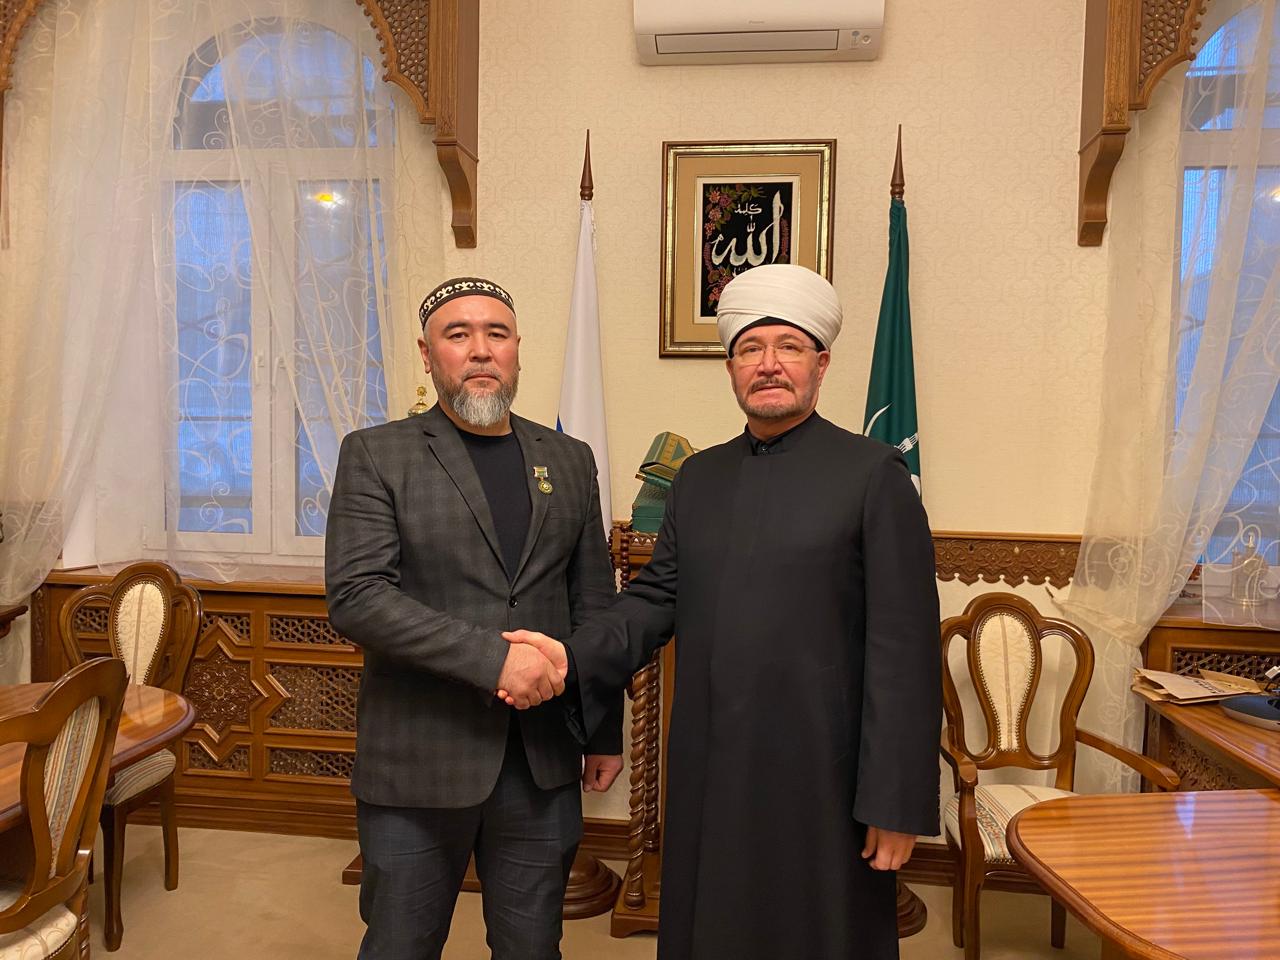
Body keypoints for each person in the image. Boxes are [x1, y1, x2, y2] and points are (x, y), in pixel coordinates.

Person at [503, 264, 942, 960]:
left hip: (822, 773)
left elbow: (905, 649)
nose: (768, 364)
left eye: (789, 346)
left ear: (822, 363)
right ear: (732, 367)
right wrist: (571, 655)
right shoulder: (699, 477)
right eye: (750, 348)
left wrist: (895, 799)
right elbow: (656, 597)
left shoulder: (874, 475)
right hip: (713, 762)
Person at [325, 276, 623, 960]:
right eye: (458, 335)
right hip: (419, 759)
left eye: (497, 334)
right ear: (428, 355)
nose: (481, 350)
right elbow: (358, 595)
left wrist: (604, 730)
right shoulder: (376, 453)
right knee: (402, 944)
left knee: (532, 947)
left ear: (517, 350)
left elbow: (592, 605)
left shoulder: (569, 459)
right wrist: (496, 661)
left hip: (541, 761)